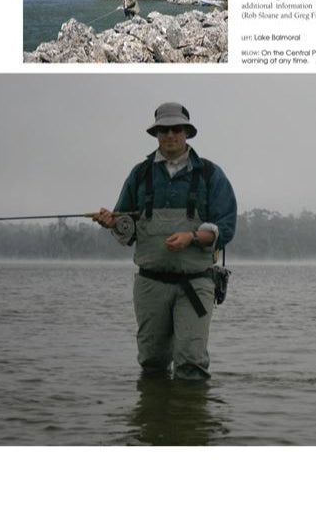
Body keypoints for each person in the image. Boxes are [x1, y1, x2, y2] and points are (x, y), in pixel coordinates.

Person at [93, 102, 236, 380]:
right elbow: (127, 229)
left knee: (191, 365)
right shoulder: (140, 174)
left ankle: (190, 421)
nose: (170, 135)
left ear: (187, 133)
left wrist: (191, 238)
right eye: (163, 130)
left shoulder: (211, 174)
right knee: (152, 363)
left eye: (176, 129)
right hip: (149, 285)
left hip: (196, 284)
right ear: (156, 134)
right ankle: (154, 421)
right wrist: (113, 223)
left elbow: (227, 227)